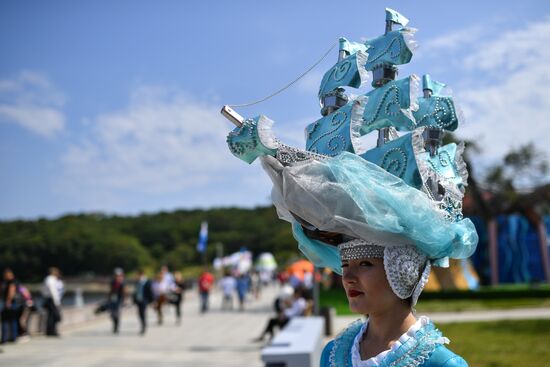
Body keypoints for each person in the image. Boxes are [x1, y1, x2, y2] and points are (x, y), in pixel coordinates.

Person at [41, 267, 62, 337]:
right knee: (54, 316)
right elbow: (53, 291)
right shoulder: (50, 279)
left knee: (51, 316)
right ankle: (51, 331)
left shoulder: (50, 279)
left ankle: (50, 331)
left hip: (49, 299)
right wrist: (56, 301)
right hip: (51, 299)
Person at [133, 269, 154, 335]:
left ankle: (143, 326)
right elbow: (135, 292)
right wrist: (134, 300)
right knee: (140, 314)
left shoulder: (147, 282)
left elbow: (150, 292)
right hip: (138, 300)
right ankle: (143, 325)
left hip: (144, 300)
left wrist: (151, 301)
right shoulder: (137, 282)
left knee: (143, 313)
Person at [1, 269, 19, 343]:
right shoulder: (11, 281)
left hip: (9, 303)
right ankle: (13, 337)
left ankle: (5, 338)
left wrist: (8, 302)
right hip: (11, 303)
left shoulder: (11, 282)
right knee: (12, 320)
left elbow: (11, 292)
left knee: (6, 320)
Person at [108, 267, 126, 334]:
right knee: (112, 314)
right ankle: (115, 325)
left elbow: (124, 293)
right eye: (116, 275)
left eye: (119, 275)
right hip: (112, 300)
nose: (117, 277)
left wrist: (124, 300)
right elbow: (110, 291)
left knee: (117, 314)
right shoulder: (112, 282)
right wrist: (109, 298)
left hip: (119, 300)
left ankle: (116, 327)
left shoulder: (122, 283)